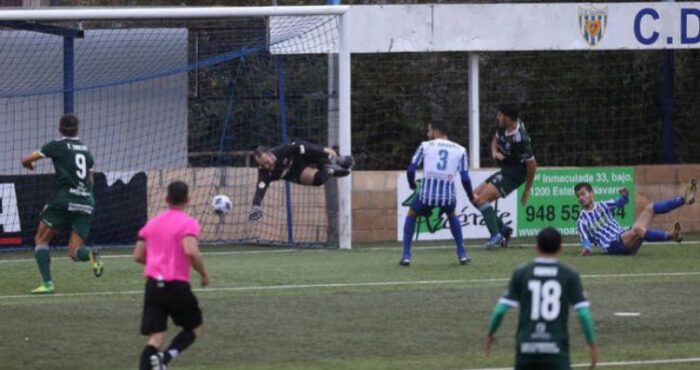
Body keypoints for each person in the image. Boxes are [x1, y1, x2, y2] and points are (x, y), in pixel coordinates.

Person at [485, 227, 598, 370]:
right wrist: (592, 345)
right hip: (557, 351)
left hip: (526, 349)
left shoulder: (522, 273)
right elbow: (583, 314)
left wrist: (490, 333)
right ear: (561, 248)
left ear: (536, 247)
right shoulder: (569, 275)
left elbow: (500, 310)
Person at [20, 113, 103, 294]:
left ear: (60, 128)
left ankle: (48, 284)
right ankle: (91, 254)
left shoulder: (56, 146)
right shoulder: (87, 152)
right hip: (86, 202)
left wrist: (30, 166)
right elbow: (91, 180)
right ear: (78, 129)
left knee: (41, 239)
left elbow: (25, 160)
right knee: (75, 252)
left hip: (64, 200)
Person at [133, 181, 209, 370]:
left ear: (166, 199)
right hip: (176, 286)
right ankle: (165, 358)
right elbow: (191, 251)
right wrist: (204, 274)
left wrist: (155, 263)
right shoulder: (188, 223)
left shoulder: (152, 223)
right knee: (194, 327)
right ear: (188, 200)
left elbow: (137, 255)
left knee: (156, 337)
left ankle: (155, 362)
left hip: (153, 286)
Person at [399, 120, 474, 266]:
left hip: (426, 196)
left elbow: (410, 170)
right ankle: (462, 253)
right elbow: (465, 178)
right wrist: (471, 196)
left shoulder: (425, 146)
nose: (428, 134)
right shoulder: (461, 150)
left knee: (411, 214)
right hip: (448, 197)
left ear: (436, 131)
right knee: (452, 215)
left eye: (429, 131)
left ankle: (406, 255)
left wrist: (412, 184)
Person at [472, 104, 537, 249]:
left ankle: (495, 235)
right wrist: (495, 152)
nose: (497, 117)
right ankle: (504, 230)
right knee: (474, 196)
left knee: (481, 199)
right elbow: (494, 141)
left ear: (508, 118)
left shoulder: (521, 139)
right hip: (507, 169)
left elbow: (532, 164)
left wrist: (527, 189)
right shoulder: (502, 128)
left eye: (500, 115)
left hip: (516, 174)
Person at [575, 179, 695, 256]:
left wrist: (625, 196)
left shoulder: (603, 205)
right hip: (613, 246)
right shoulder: (582, 220)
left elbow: (622, 202)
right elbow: (585, 239)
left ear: (591, 194)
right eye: (578, 196)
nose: (581, 198)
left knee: (650, 208)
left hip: (624, 236)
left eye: (583, 194)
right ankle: (670, 236)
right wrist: (587, 249)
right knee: (637, 230)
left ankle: (684, 199)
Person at [249, 140, 354, 221]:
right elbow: (260, 188)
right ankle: (330, 171)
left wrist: (334, 157)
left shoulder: (281, 151)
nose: (267, 166)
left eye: (267, 162)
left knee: (314, 152)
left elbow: (301, 145)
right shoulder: (264, 172)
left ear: (270, 154)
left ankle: (338, 159)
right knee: (319, 180)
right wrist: (256, 206)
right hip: (295, 173)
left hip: (302, 159)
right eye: (263, 165)